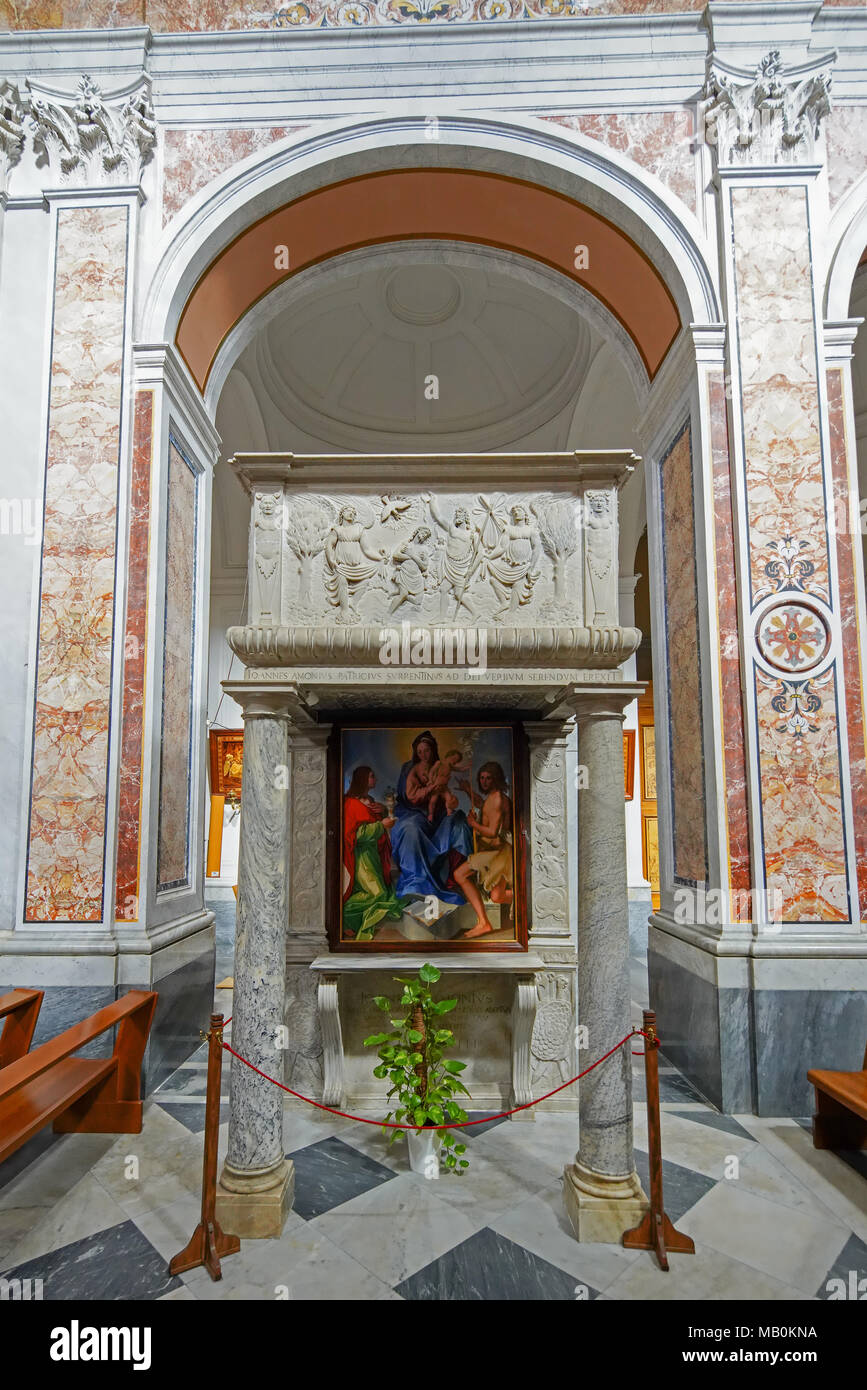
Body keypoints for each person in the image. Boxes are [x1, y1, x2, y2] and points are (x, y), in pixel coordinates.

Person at [342, 766, 408, 941]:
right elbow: (356, 834)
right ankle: (346, 919)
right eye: (372, 777)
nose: (375, 780)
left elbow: (372, 820)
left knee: (384, 892)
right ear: (363, 779)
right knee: (377, 893)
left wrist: (382, 812)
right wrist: (382, 825)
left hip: (374, 855)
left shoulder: (369, 800)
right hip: (361, 857)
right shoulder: (350, 803)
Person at [453, 761, 514, 939]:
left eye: (488, 778)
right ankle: (521, 898)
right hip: (498, 851)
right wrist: (467, 791)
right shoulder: (494, 797)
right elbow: (483, 805)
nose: (484, 782)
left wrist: (473, 824)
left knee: (459, 875)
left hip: (498, 853)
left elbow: (492, 831)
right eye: (482, 778)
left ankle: (483, 923)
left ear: (496, 779)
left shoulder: (496, 799)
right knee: (497, 896)